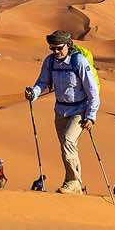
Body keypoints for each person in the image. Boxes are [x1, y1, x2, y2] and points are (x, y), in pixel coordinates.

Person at [25, 31, 100, 195]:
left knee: (68, 141)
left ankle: (73, 182)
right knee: (67, 147)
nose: (56, 51)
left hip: (80, 110)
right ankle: (74, 182)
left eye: (59, 48)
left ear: (68, 45)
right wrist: (34, 92)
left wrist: (91, 116)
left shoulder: (78, 61)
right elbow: (43, 81)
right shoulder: (50, 61)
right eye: (53, 48)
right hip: (60, 110)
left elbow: (93, 91)